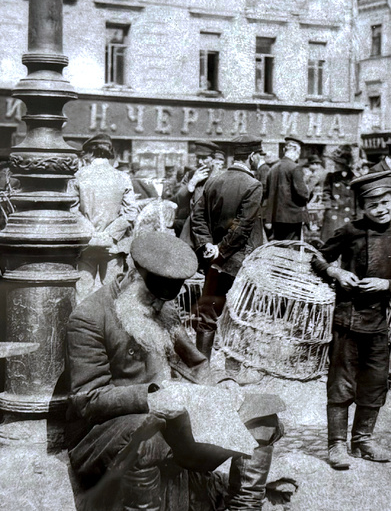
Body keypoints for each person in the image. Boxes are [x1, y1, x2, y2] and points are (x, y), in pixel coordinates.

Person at [65, 231, 284, 511]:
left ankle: (242, 508)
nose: (158, 306)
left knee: (261, 417)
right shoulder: (90, 317)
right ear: (133, 275)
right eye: (151, 298)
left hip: (172, 423)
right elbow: (87, 399)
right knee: (147, 435)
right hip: (109, 434)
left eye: (163, 300)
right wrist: (151, 398)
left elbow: (194, 364)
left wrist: (223, 383)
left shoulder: (164, 310)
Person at [312, 171, 391, 470]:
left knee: (375, 382)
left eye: (385, 202)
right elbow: (318, 258)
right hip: (347, 320)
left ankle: (363, 440)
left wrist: (386, 284)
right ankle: (336, 445)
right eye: (372, 205)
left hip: (378, 323)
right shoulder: (350, 231)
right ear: (362, 207)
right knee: (341, 382)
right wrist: (336, 272)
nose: (380, 209)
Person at [189, 136, 266, 358]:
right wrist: (222, 250)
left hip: (213, 260)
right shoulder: (253, 185)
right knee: (241, 315)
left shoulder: (214, 180)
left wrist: (208, 245)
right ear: (252, 156)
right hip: (240, 262)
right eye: (259, 156)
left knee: (207, 314)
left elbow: (197, 217)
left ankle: (200, 366)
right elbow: (242, 227)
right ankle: (234, 367)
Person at [73, 133, 139, 303]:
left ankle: (82, 320)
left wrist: (90, 232)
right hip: (112, 245)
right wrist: (110, 234)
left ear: (90, 153)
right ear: (109, 152)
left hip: (86, 244)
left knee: (82, 294)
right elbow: (131, 212)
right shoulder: (122, 177)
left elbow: (71, 209)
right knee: (111, 295)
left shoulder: (78, 176)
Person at [171, 141, 224, 239]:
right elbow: (177, 200)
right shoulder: (190, 175)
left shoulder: (221, 177)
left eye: (204, 158)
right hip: (189, 227)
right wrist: (192, 183)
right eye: (198, 157)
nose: (200, 162)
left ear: (213, 159)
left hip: (210, 229)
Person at [263, 137, 311, 241]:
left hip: (276, 217)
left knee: (279, 246)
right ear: (295, 149)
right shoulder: (295, 167)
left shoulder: (273, 168)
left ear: (284, 150)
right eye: (299, 152)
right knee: (291, 248)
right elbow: (303, 193)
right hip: (293, 217)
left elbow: (267, 193)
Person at [319, 144, 357, 241]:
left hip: (348, 215)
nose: (335, 165)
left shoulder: (354, 179)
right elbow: (326, 193)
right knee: (329, 242)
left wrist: (356, 215)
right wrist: (328, 207)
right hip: (333, 214)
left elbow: (357, 200)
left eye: (338, 163)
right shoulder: (331, 177)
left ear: (344, 165)